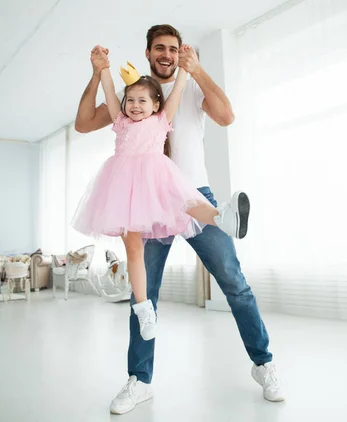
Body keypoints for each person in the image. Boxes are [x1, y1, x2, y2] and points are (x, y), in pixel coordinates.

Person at [75, 24, 284, 415]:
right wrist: (95, 74)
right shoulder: (132, 97)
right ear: (149, 52)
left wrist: (198, 69)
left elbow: (227, 116)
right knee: (145, 294)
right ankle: (140, 380)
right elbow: (84, 123)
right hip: (144, 204)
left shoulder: (188, 89)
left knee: (234, 283)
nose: (166, 54)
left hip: (192, 196)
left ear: (178, 53)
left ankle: (264, 364)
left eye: (173, 48)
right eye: (159, 48)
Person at [72, 51, 248, 341]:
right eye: (131, 100)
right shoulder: (120, 121)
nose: (135, 105)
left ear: (156, 104)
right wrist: (102, 69)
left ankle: (224, 218)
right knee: (133, 249)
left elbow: (179, 87)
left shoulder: (163, 118)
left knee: (189, 203)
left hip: (157, 176)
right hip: (123, 187)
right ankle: (143, 308)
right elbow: (108, 89)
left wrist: (185, 69)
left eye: (142, 100)